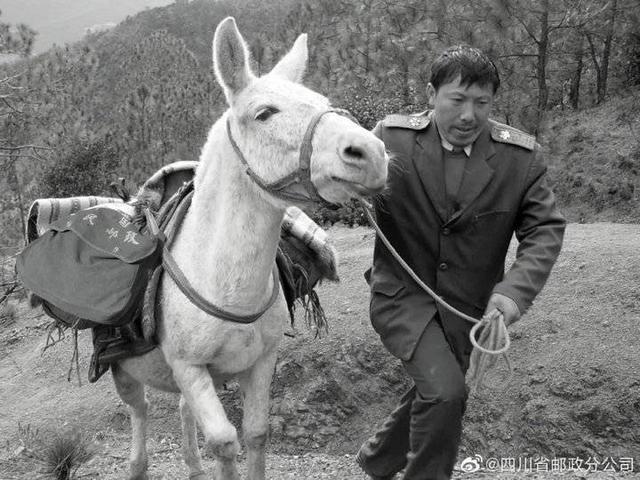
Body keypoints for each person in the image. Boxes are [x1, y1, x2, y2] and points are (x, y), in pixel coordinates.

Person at [356, 45, 566, 480]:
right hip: (402, 299)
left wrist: (510, 296)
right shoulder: (390, 139)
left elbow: (544, 231)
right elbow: (342, 181)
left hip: (470, 308)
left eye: (482, 102)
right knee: (448, 392)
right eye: (457, 99)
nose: (469, 114)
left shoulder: (520, 160)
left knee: (437, 387)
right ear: (432, 94)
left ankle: (377, 461)